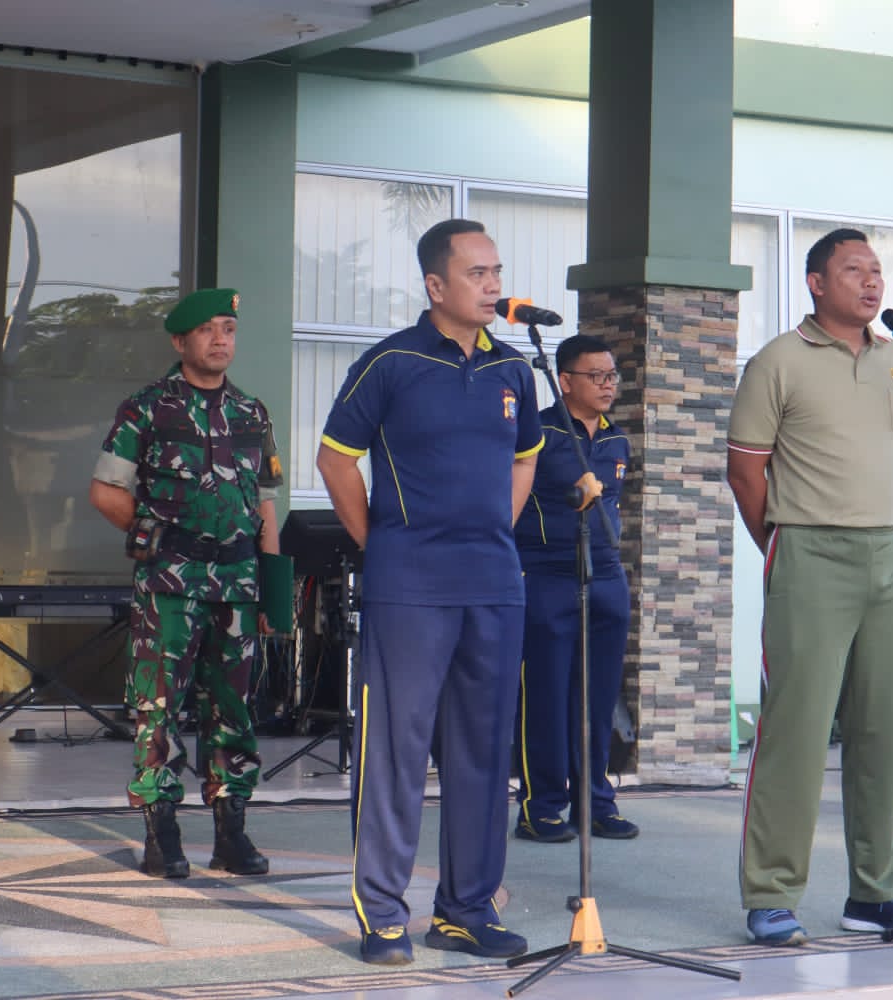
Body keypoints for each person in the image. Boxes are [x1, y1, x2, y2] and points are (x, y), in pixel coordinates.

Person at [316, 219, 544, 966]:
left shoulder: (514, 370)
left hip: (493, 586)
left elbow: (524, 463)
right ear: (435, 286)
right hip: (409, 587)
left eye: (496, 272)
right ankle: (383, 914)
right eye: (477, 273)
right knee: (397, 749)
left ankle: (466, 909)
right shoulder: (391, 364)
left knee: (482, 750)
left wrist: (491, 536)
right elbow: (335, 460)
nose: (492, 285)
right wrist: (379, 542)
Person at [725, 228, 893, 945]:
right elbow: (747, 471)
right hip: (807, 553)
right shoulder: (778, 361)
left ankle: (875, 893)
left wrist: (862, 524)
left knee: (880, 733)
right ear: (816, 282)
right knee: (797, 731)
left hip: (885, 555)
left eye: (877, 272)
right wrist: (785, 543)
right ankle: (772, 893)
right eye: (853, 271)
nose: (871, 284)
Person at [89, 287, 282, 881]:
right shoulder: (146, 409)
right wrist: (155, 540)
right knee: (160, 708)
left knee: (235, 708)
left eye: (228, 328)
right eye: (208, 331)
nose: (221, 339)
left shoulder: (252, 413)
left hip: (239, 582)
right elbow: (107, 492)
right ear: (180, 341)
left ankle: (231, 832)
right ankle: (161, 833)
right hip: (170, 583)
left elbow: (267, 508)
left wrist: (274, 590)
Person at [513, 334, 637, 844]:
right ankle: (541, 806)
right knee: (546, 697)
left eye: (612, 376)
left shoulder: (616, 440)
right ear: (565, 381)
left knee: (599, 697)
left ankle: (597, 802)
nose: (608, 385)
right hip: (546, 574)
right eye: (597, 376)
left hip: (606, 575)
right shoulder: (536, 433)